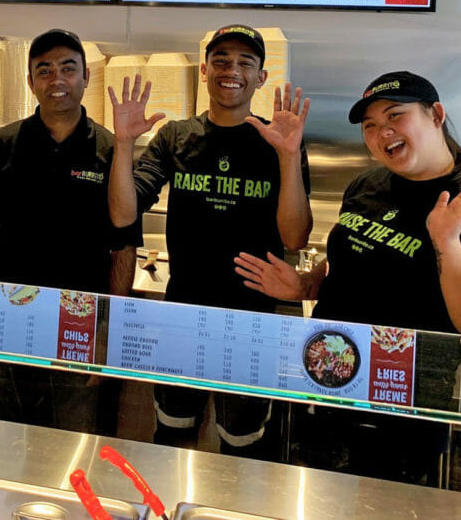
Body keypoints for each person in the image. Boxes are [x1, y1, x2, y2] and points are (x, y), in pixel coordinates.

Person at [234, 70, 461, 482]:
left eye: (395, 116)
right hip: (328, 374)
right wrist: (308, 285)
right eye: (371, 126)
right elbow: (348, 260)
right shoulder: (367, 184)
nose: (382, 133)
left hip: (403, 399)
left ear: (436, 115)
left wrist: (447, 243)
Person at [108, 24, 312, 458]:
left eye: (244, 62)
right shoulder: (175, 137)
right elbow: (124, 213)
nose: (231, 70)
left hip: (252, 320)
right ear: (204, 70)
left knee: (244, 448)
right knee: (173, 439)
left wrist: (289, 157)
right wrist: (124, 143)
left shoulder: (277, 142)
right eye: (221, 60)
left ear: (261, 76)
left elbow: (296, 235)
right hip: (183, 313)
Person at [0, 28, 137, 433]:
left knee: (76, 441)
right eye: (44, 70)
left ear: (86, 78)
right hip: (12, 314)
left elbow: (124, 246)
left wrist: (108, 331)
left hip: (81, 318)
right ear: (31, 82)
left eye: (68, 68)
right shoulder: (3, 145)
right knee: (4, 438)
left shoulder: (110, 148)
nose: (56, 80)